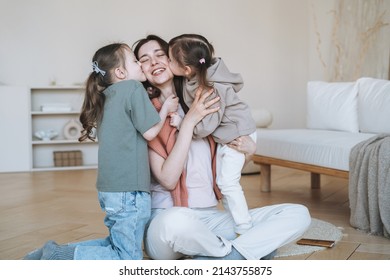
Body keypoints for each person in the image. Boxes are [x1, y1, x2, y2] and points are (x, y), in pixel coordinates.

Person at [133, 34, 311, 260]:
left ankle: (227, 256)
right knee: (176, 222)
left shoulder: (203, 99)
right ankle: (242, 253)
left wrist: (248, 151)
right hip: (168, 220)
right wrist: (189, 123)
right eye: (145, 59)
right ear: (141, 70)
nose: (155, 62)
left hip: (209, 220)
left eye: (160, 55)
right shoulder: (147, 116)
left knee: (297, 214)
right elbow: (168, 179)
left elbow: (225, 163)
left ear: (177, 61)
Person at [24, 43, 178, 260]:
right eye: (136, 61)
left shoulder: (107, 96)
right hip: (129, 191)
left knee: (118, 244)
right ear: (121, 72)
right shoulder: (133, 88)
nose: (141, 65)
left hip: (111, 190)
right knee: (128, 259)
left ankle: (54, 253)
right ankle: (58, 255)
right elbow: (150, 132)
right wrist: (166, 110)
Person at [167, 33, 257, 236]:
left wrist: (184, 123)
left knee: (227, 182)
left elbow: (207, 125)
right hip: (231, 135)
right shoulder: (198, 78)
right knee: (222, 182)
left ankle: (245, 227)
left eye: (170, 60)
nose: (167, 61)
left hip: (237, 136)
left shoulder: (210, 88)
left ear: (187, 69)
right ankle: (237, 219)